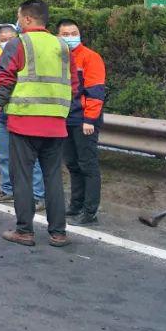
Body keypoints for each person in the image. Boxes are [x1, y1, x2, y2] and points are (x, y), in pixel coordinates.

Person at [0, 0, 78, 248]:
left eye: (19, 17)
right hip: (55, 124)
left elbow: (4, 79)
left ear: (27, 19)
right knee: (53, 179)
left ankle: (25, 231)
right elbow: (73, 84)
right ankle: (58, 233)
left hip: (24, 122)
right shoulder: (61, 45)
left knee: (23, 177)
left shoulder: (19, 43)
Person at [0, 24, 45, 209]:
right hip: (2, 114)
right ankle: (8, 189)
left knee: (29, 157)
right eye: (2, 39)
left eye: (10, 38)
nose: (7, 42)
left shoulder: (26, 58)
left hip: (23, 113)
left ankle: (38, 195)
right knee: (4, 155)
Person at [56, 19, 105, 225]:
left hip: (84, 120)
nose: (69, 37)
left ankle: (90, 211)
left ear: (79, 34)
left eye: (73, 33)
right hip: (65, 118)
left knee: (88, 165)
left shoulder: (90, 57)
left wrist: (90, 119)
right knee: (73, 165)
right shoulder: (59, 57)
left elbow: (95, 91)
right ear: (58, 36)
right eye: (65, 34)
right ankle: (76, 205)